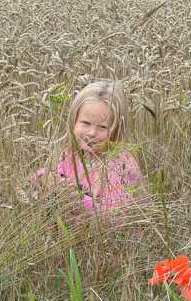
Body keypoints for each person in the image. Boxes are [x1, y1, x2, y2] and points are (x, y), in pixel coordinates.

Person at [32, 80, 144, 219]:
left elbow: (116, 217)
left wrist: (73, 198)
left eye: (102, 127)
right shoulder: (70, 154)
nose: (91, 133)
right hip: (75, 235)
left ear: (117, 131)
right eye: (85, 123)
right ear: (73, 121)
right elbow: (58, 180)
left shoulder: (121, 165)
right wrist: (44, 177)